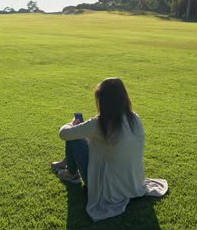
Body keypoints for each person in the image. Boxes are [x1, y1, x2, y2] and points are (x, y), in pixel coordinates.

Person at [51, 77, 168, 221]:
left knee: (74, 138)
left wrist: (71, 124)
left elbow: (63, 134)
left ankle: (71, 173)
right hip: (133, 184)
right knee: (83, 137)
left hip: (107, 189)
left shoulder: (100, 123)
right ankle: (67, 163)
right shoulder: (134, 118)